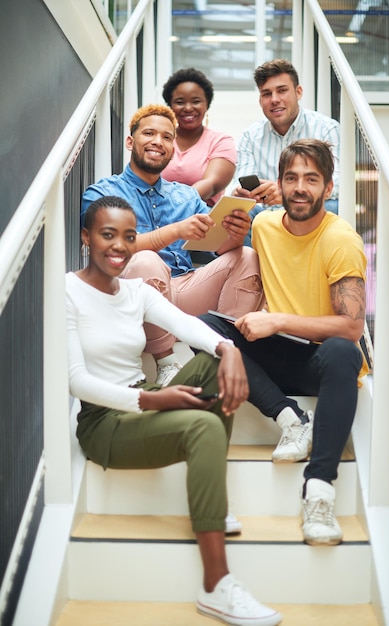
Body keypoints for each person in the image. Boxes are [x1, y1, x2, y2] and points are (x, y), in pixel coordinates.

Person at [67, 195, 281, 626]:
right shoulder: (67, 291)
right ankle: (216, 586)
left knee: (217, 357)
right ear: (86, 238)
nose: (119, 247)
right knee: (203, 428)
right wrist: (150, 399)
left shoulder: (134, 291)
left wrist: (228, 349)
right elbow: (76, 381)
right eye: (108, 235)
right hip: (106, 420)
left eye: (129, 237)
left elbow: (189, 327)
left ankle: (211, 502)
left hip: (143, 397)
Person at [201, 139, 368, 546]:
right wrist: (232, 221)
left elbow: (351, 328)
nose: (300, 188)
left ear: (328, 189)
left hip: (321, 361)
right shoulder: (263, 226)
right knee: (206, 328)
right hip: (280, 355)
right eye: (291, 178)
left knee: (343, 350)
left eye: (311, 179)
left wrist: (277, 319)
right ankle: (291, 419)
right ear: (279, 183)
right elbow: (216, 253)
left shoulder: (340, 239)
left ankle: (319, 491)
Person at [81, 104, 264, 390]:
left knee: (246, 256)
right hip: (130, 299)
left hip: (180, 288)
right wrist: (174, 231)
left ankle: (223, 354)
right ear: (131, 141)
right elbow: (111, 247)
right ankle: (166, 362)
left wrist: (236, 233)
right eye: (149, 133)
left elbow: (219, 247)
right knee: (145, 260)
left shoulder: (185, 196)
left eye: (167, 137)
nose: (158, 142)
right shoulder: (103, 192)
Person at [232, 59, 340, 245]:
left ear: (298, 92)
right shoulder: (250, 136)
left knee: (334, 207)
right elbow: (239, 183)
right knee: (238, 214)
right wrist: (243, 193)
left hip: (308, 206)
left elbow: (338, 184)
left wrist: (287, 192)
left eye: (282, 90)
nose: (274, 99)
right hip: (265, 214)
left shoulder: (326, 129)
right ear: (260, 100)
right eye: (267, 94)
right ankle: (251, 273)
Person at [161, 67, 236, 208]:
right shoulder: (160, 140)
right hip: (157, 213)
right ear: (170, 106)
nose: (188, 108)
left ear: (207, 104)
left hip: (203, 215)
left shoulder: (220, 141)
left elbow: (212, 183)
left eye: (196, 101)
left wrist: (175, 207)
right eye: (180, 102)